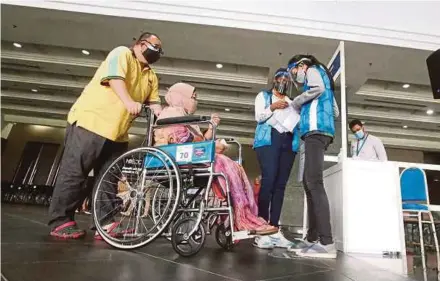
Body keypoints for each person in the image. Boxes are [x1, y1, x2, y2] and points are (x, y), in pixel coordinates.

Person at [48, 32, 163, 239]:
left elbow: (154, 103)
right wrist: (128, 102)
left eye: (159, 50)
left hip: (118, 133)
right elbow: (115, 79)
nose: (157, 52)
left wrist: (162, 116)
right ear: (140, 44)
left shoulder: (151, 76)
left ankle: (106, 223)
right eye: (154, 46)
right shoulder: (122, 54)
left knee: (109, 179)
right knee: (75, 173)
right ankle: (61, 221)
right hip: (92, 122)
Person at [154, 82, 278, 235]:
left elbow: (198, 141)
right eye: (193, 97)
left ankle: (242, 217)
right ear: (182, 97)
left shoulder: (186, 118)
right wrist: (212, 147)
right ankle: (242, 218)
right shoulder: (171, 114)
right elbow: (180, 140)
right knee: (224, 162)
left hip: (185, 157)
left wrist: (212, 130)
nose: (195, 101)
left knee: (231, 164)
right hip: (173, 159)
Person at [286, 54, 339, 258]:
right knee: (310, 184)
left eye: (293, 72)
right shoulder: (324, 76)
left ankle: (327, 242)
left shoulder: (313, 71)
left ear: (300, 66)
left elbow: (318, 90)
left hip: (316, 132)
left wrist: (297, 103)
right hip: (320, 132)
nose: (295, 77)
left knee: (314, 183)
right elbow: (334, 111)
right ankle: (312, 238)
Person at [253, 68, 301, 249]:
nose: (283, 81)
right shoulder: (263, 97)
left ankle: (274, 227)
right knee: (269, 181)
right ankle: (262, 228)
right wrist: (272, 107)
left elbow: (298, 122)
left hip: (288, 142)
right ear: (274, 80)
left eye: (286, 79)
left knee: (281, 185)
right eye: (280, 77)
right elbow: (258, 117)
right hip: (268, 140)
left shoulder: (291, 102)